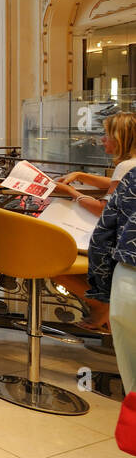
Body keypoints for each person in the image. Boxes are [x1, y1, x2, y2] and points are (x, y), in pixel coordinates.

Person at [51, 111, 136, 331]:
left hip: (118, 250)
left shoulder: (125, 166)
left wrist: (70, 191)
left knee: (52, 262)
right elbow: (116, 183)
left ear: (121, 139)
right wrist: (81, 176)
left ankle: (101, 304)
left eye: (107, 134)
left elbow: (104, 209)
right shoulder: (130, 166)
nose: (102, 140)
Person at [85, 169, 136, 393]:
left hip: (129, 279)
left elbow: (102, 239)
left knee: (133, 388)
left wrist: (103, 293)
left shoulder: (133, 176)